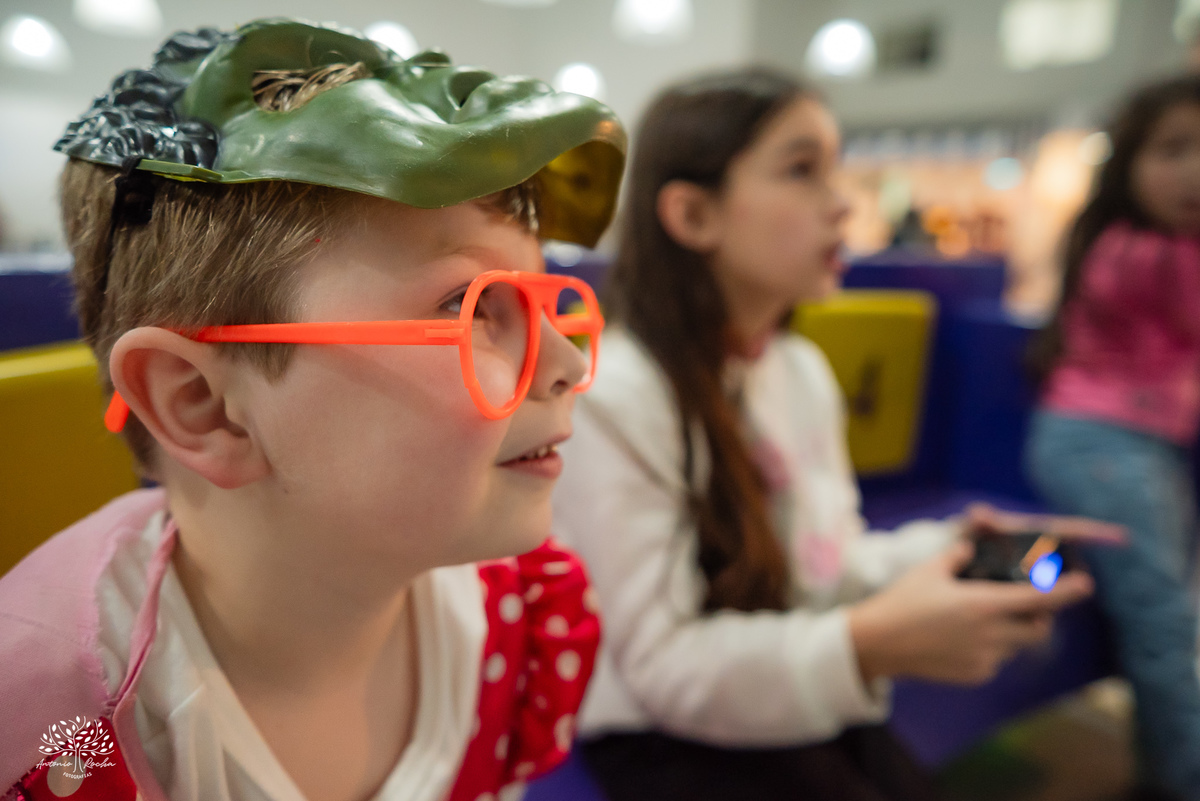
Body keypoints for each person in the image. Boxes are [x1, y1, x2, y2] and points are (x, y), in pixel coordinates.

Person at [0, 19, 624, 801]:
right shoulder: (59, 739)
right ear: (206, 404)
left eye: (544, 302)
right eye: (475, 305)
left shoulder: (518, 613)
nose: (566, 365)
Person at [551, 67, 1114, 801]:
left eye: (834, 169)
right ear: (692, 214)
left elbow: (826, 561)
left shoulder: (797, 369)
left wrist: (952, 547)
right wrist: (871, 641)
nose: (843, 204)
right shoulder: (617, 394)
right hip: (663, 735)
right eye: (801, 170)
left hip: (785, 691)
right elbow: (663, 669)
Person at [1026, 75, 1200, 799]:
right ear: (1126, 162)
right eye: (1174, 148)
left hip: (1144, 446)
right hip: (1102, 446)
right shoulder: (1141, 252)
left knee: (1168, 610)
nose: (1196, 168)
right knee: (1165, 619)